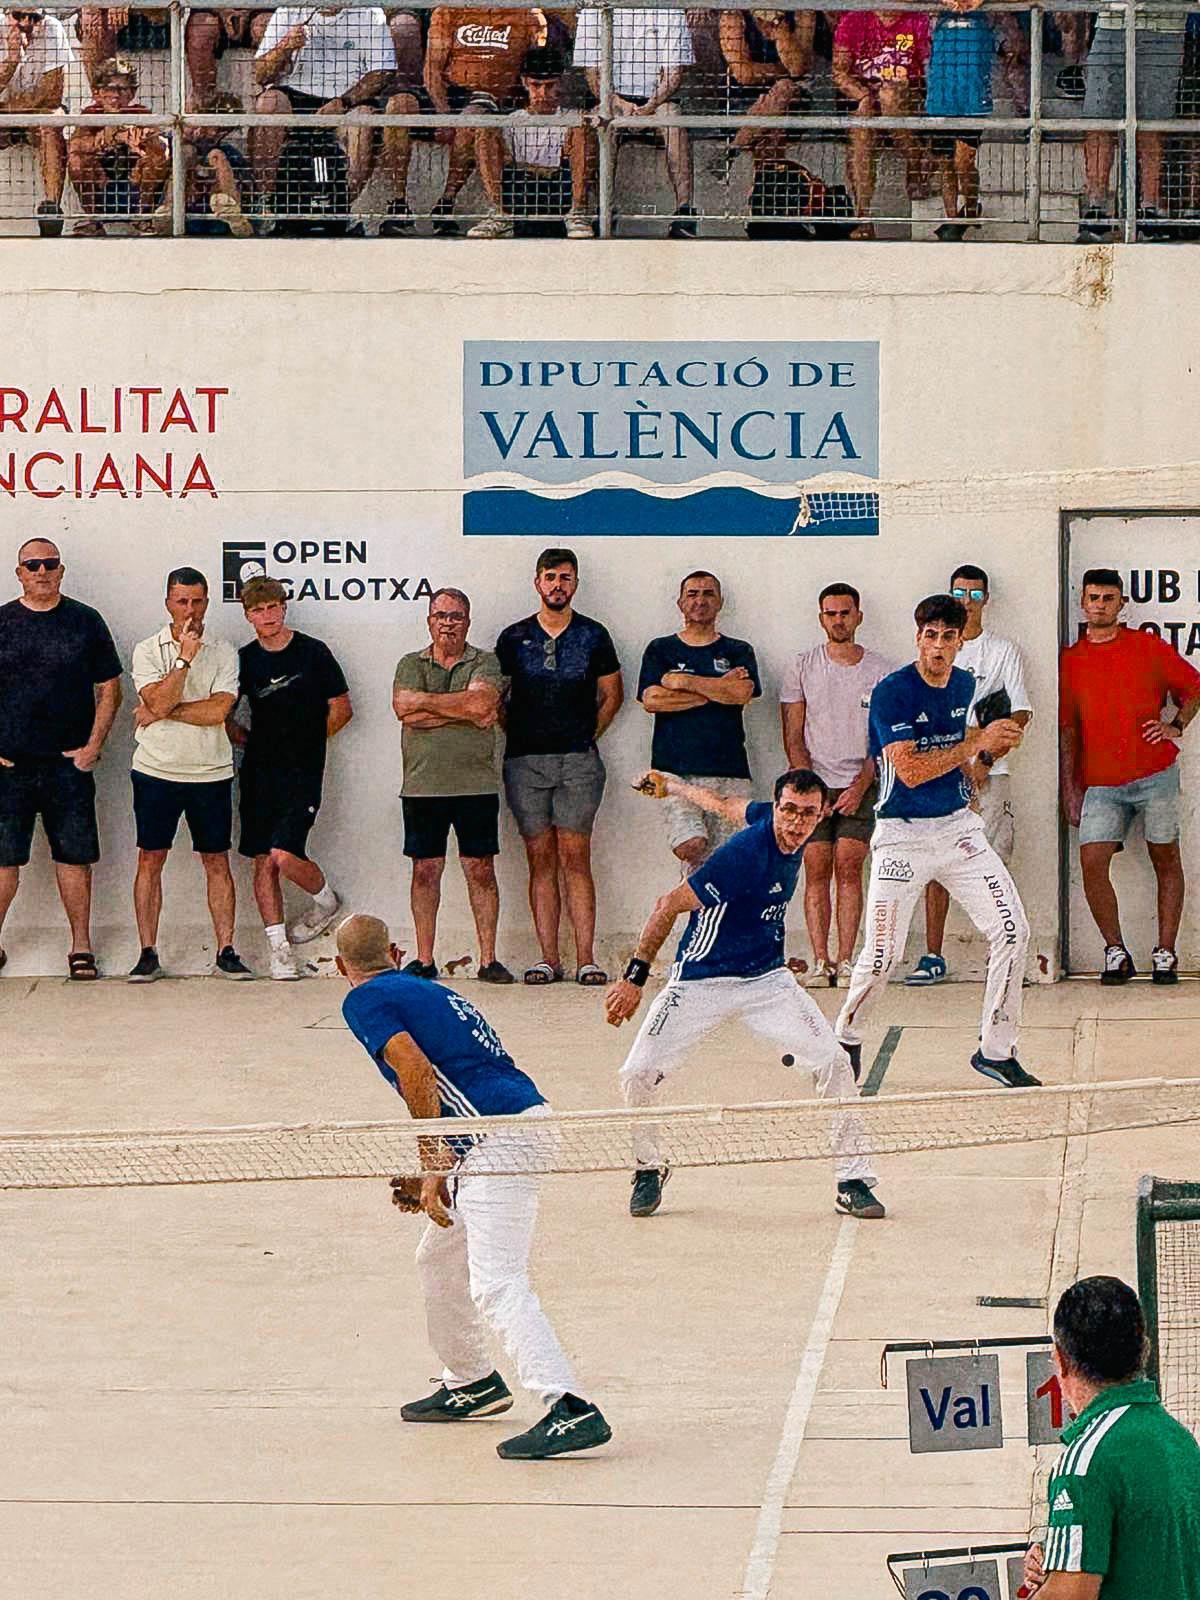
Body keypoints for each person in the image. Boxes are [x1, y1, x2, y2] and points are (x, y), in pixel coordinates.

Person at [336, 912, 612, 1460]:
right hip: (510, 1126)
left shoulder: (363, 999)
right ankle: (472, 1381)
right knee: (439, 1257)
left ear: (341, 966)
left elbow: (414, 1071)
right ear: (395, 952)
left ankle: (568, 1406)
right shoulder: (426, 990)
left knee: (497, 1281)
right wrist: (439, 1168)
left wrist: (433, 1161)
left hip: (496, 1139)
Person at [607, 768, 885, 1221]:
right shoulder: (743, 855)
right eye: (788, 811)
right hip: (700, 979)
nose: (795, 823)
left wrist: (673, 785)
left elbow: (722, 804)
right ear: (777, 809)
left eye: (806, 814)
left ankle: (852, 1180)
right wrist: (634, 978)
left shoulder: (772, 822)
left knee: (834, 1062)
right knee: (636, 1073)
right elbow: (668, 904)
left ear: (820, 816)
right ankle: (647, 1167)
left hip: (766, 981)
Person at [834, 594, 1038, 1088]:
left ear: (960, 640)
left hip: (957, 831)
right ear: (918, 637)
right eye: (931, 636)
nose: (939, 647)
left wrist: (985, 759)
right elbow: (910, 769)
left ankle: (995, 1049)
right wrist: (976, 743)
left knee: (1013, 932)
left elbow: (967, 754)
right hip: (901, 837)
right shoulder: (892, 693)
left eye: (949, 637)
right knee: (882, 958)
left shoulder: (965, 684)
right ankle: (847, 1036)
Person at [1059, 569, 1200, 986]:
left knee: (1165, 857)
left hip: (1155, 772)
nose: (1100, 604)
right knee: (1092, 862)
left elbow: (1194, 687)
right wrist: (1071, 787)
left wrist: (1176, 726)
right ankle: (1115, 950)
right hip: (1100, 782)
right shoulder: (1071, 659)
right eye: (1094, 598)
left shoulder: (1147, 647)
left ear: (1122, 604)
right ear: (1082, 604)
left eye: (1108, 598)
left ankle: (1166, 953)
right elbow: (1069, 728)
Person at [1021, 1275, 1200, 1599]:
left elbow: (1069, 1595)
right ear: (1143, 1349)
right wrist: (1061, 1553)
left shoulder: (1084, 1463)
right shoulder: (1180, 1443)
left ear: (1060, 1361)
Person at [496, 549, 623, 987]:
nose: (557, 585)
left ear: (575, 584)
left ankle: (587, 958)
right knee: (539, 858)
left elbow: (612, 695)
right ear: (537, 582)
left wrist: (587, 736)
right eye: (550, 577)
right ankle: (548, 959)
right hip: (524, 762)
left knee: (575, 856)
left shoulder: (593, 635)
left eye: (565, 578)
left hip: (578, 762)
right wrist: (523, 735)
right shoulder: (513, 638)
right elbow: (498, 699)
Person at [0, 538, 122, 980]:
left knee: (74, 859)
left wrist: (92, 746)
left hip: (67, 767)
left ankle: (81, 948)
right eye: (32, 564)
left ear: (61, 570)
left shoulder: (85, 622)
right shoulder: (3, 622)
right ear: (19, 573)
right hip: (10, 768)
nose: (42, 571)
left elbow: (110, 688)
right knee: (3, 862)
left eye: (49, 563)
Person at [907, 563, 1031, 986]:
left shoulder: (1002, 651)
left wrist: (985, 760)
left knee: (994, 860)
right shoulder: (934, 651)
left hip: (993, 774)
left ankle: (1004, 955)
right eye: (961, 593)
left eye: (976, 595)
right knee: (936, 861)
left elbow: (1019, 712)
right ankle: (933, 955)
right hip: (941, 774)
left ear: (986, 600)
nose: (967, 601)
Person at [128, 567, 252, 984]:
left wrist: (162, 711)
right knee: (150, 858)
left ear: (208, 602)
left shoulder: (225, 650)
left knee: (217, 860)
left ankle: (226, 949)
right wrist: (183, 659)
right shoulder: (147, 650)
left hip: (211, 772)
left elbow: (219, 710)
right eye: (181, 601)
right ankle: (147, 951)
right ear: (168, 603)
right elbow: (157, 697)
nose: (190, 610)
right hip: (156, 771)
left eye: (197, 601)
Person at [392, 586, 514, 985]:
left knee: (480, 869)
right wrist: (461, 709)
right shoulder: (410, 663)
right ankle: (425, 959)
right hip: (422, 786)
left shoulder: (487, 661)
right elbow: (403, 709)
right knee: (425, 871)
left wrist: (427, 707)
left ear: (468, 621)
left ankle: (488, 959)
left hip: (475, 785)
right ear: (429, 621)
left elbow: (483, 707)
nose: (448, 623)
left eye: (456, 616)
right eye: (440, 615)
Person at [234, 576, 352, 981]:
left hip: (302, 773)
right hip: (258, 773)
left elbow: (341, 707)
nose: (267, 616)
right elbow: (227, 715)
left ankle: (325, 901)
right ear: (248, 615)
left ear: (284, 607)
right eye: (258, 610)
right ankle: (278, 948)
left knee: (285, 855)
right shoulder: (245, 659)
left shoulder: (313, 652)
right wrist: (252, 743)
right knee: (263, 861)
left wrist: (308, 745)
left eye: (273, 607)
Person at [780, 583, 894, 988]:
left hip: (860, 785)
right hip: (814, 786)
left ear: (858, 616)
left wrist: (862, 783)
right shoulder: (802, 666)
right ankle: (820, 961)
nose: (838, 620)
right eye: (831, 613)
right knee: (816, 869)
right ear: (821, 618)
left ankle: (847, 961)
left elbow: (883, 737)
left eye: (845, 613)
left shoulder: (881, 670)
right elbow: (793, 733)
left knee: (849, 866)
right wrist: (809, 789)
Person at [637, 571, 760, 874]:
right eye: (692, 594)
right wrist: (719, 689)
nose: (700, 600)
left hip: (729, 770)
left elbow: (742, 693)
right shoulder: (660, 649)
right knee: (690, 845)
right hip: (674, 771)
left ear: (720, 602)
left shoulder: (738, 650)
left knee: (727, 862)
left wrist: (682, 681)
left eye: (708, 594)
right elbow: (652, 700)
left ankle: (705, 920)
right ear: (680, 602)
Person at [250, 4, 401, 225]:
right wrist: (285, 46)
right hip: (295, 94)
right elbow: (260, 75)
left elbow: (382, 71)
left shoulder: (370, 13)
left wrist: (344, 102)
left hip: (347, 97)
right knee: (268, 103)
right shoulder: (288, 11)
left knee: (363, 118)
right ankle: (268, 205)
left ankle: (342, 205)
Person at [575, 4, 698, 237]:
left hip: (657, 101)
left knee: (673, 117)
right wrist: (620, 103)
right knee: (599, 120)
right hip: (612, 101)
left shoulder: (668, 10)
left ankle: (684, 212)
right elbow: (593, 78)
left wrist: (649, 105)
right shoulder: (592, 11)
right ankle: (604, 209)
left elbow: (673, 76)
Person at [423, 6, 542, 238]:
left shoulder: (528, 15)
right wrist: (445, 115)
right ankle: (440, 203)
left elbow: (537, 66)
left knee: (475, 116)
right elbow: (432, 70)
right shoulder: (449, 11)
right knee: (470, 117)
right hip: (454, 95)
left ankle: (448, 201)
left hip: (502, 100)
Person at [1077, 10, 1186, 242]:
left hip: (1165, 27)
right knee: (1098, 119)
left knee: (1153, 124)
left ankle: (1150, 208)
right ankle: (1096, 207)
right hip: (1112, 23)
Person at [467, 46, 596, 239]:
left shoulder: (573, 120)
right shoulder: (510, 122)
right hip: (519, 194)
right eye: (536, 86)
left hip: (560, 194)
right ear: (525, 83)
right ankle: (500, 214)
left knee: (583, 128)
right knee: (485, 133)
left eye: (550, 86)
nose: (542, 94)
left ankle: (578, 212)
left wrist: (530, 167)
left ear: (561, 83)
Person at [832, 9, 931, 239]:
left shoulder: (918, 20)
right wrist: (862, 96)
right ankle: (862, 217)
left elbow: (929, 70)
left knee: (889, 96)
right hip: (866, 95)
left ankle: (915, 160)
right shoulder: (854, 19)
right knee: (860, 128)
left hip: (909, 96)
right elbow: (839, 71)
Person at [67, 55, 170, 236]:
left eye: (122, 89)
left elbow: (161, 148)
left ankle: (142, 217)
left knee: (159, 157)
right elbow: (75, 145)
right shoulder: (90, 114)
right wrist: (106, 136)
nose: (115, 95)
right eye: (110, 89)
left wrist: (146, 140)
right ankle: (94, 220)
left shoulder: (140, 113)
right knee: (77, 161)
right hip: (102, 185)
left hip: (135, 185)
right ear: (98, 92)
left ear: (131, 93)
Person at [0, 5, 73, 238]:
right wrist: (11, 61)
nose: (26, 22)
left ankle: (51, 209)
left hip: (33, 113)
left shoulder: (53, 28)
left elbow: (52, 93)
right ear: (6, 14)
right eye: (18, 16)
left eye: (34, 17)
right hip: (8, 115)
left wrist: (12, 109)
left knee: (52, 124)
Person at [925, 0, 996, 242]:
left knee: (963, 161)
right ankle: (953, 219)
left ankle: (972, 205)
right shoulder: (941, 13)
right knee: (945, 162)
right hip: (941, 92)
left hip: (971, 93)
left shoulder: (982, 14)